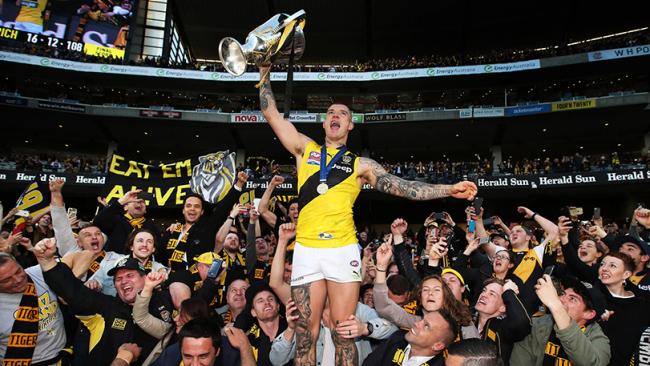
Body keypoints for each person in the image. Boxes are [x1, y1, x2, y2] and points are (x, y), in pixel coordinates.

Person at [259, 65, 477, 365]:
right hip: (307, 248)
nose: (336, 116)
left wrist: (448, 189)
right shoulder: (303, 149)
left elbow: (403, 187)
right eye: (331, 113)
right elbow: (271, 115)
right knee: (305, 331)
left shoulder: (361, 164)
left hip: (342, 248)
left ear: (350, 126)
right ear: (324, 124)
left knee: (344, 330)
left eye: (343, 114)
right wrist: (264, 76)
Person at [32, 238, 174, 366]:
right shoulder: (105, 307)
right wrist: (48, 263)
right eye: (118, 279)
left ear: (145, 279)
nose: (124, 281)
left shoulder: (164, 302)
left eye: (130, 275)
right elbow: (73, 291)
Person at [510, 275, 610, 366]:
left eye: (573, 299)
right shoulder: (537, 324)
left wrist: (557, 307)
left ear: (589, 314)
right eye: (562, 294)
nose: (561, 299)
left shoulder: (598, 339)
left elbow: (592, 363)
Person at [0, 252, 66, 365]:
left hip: (64, 356)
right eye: (6, 280)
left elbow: (83, 255)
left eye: (18, 271)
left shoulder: (38, 273)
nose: (18, 280)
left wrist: (67, 289)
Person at [361, 310, 458, 366]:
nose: (416, 324)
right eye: (422, 320)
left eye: (426, 326)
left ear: (437, 345)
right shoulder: (397, 338)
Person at [473, 278, 531, 365]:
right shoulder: (467, 320)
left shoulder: (502, 327)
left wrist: (508, 292)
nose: (483, 295)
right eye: (484, 290)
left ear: (503, 307)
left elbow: (521, 322)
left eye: (492, 294)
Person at [94, 189, 161, 254]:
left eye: (142, 202)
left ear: (145, 210)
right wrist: (121, 201)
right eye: (135, 201)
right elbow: (98, 222)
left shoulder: (152, 226)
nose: (139, 203)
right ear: (125, 207)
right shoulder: (116, 220)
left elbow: (158, 249)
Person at [177, 318, 256, 366]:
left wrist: (245, 347)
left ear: (217, 351)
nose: (195, 364)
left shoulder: (232, 356)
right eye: (188, 356)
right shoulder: (171, 359)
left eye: (203, 356)